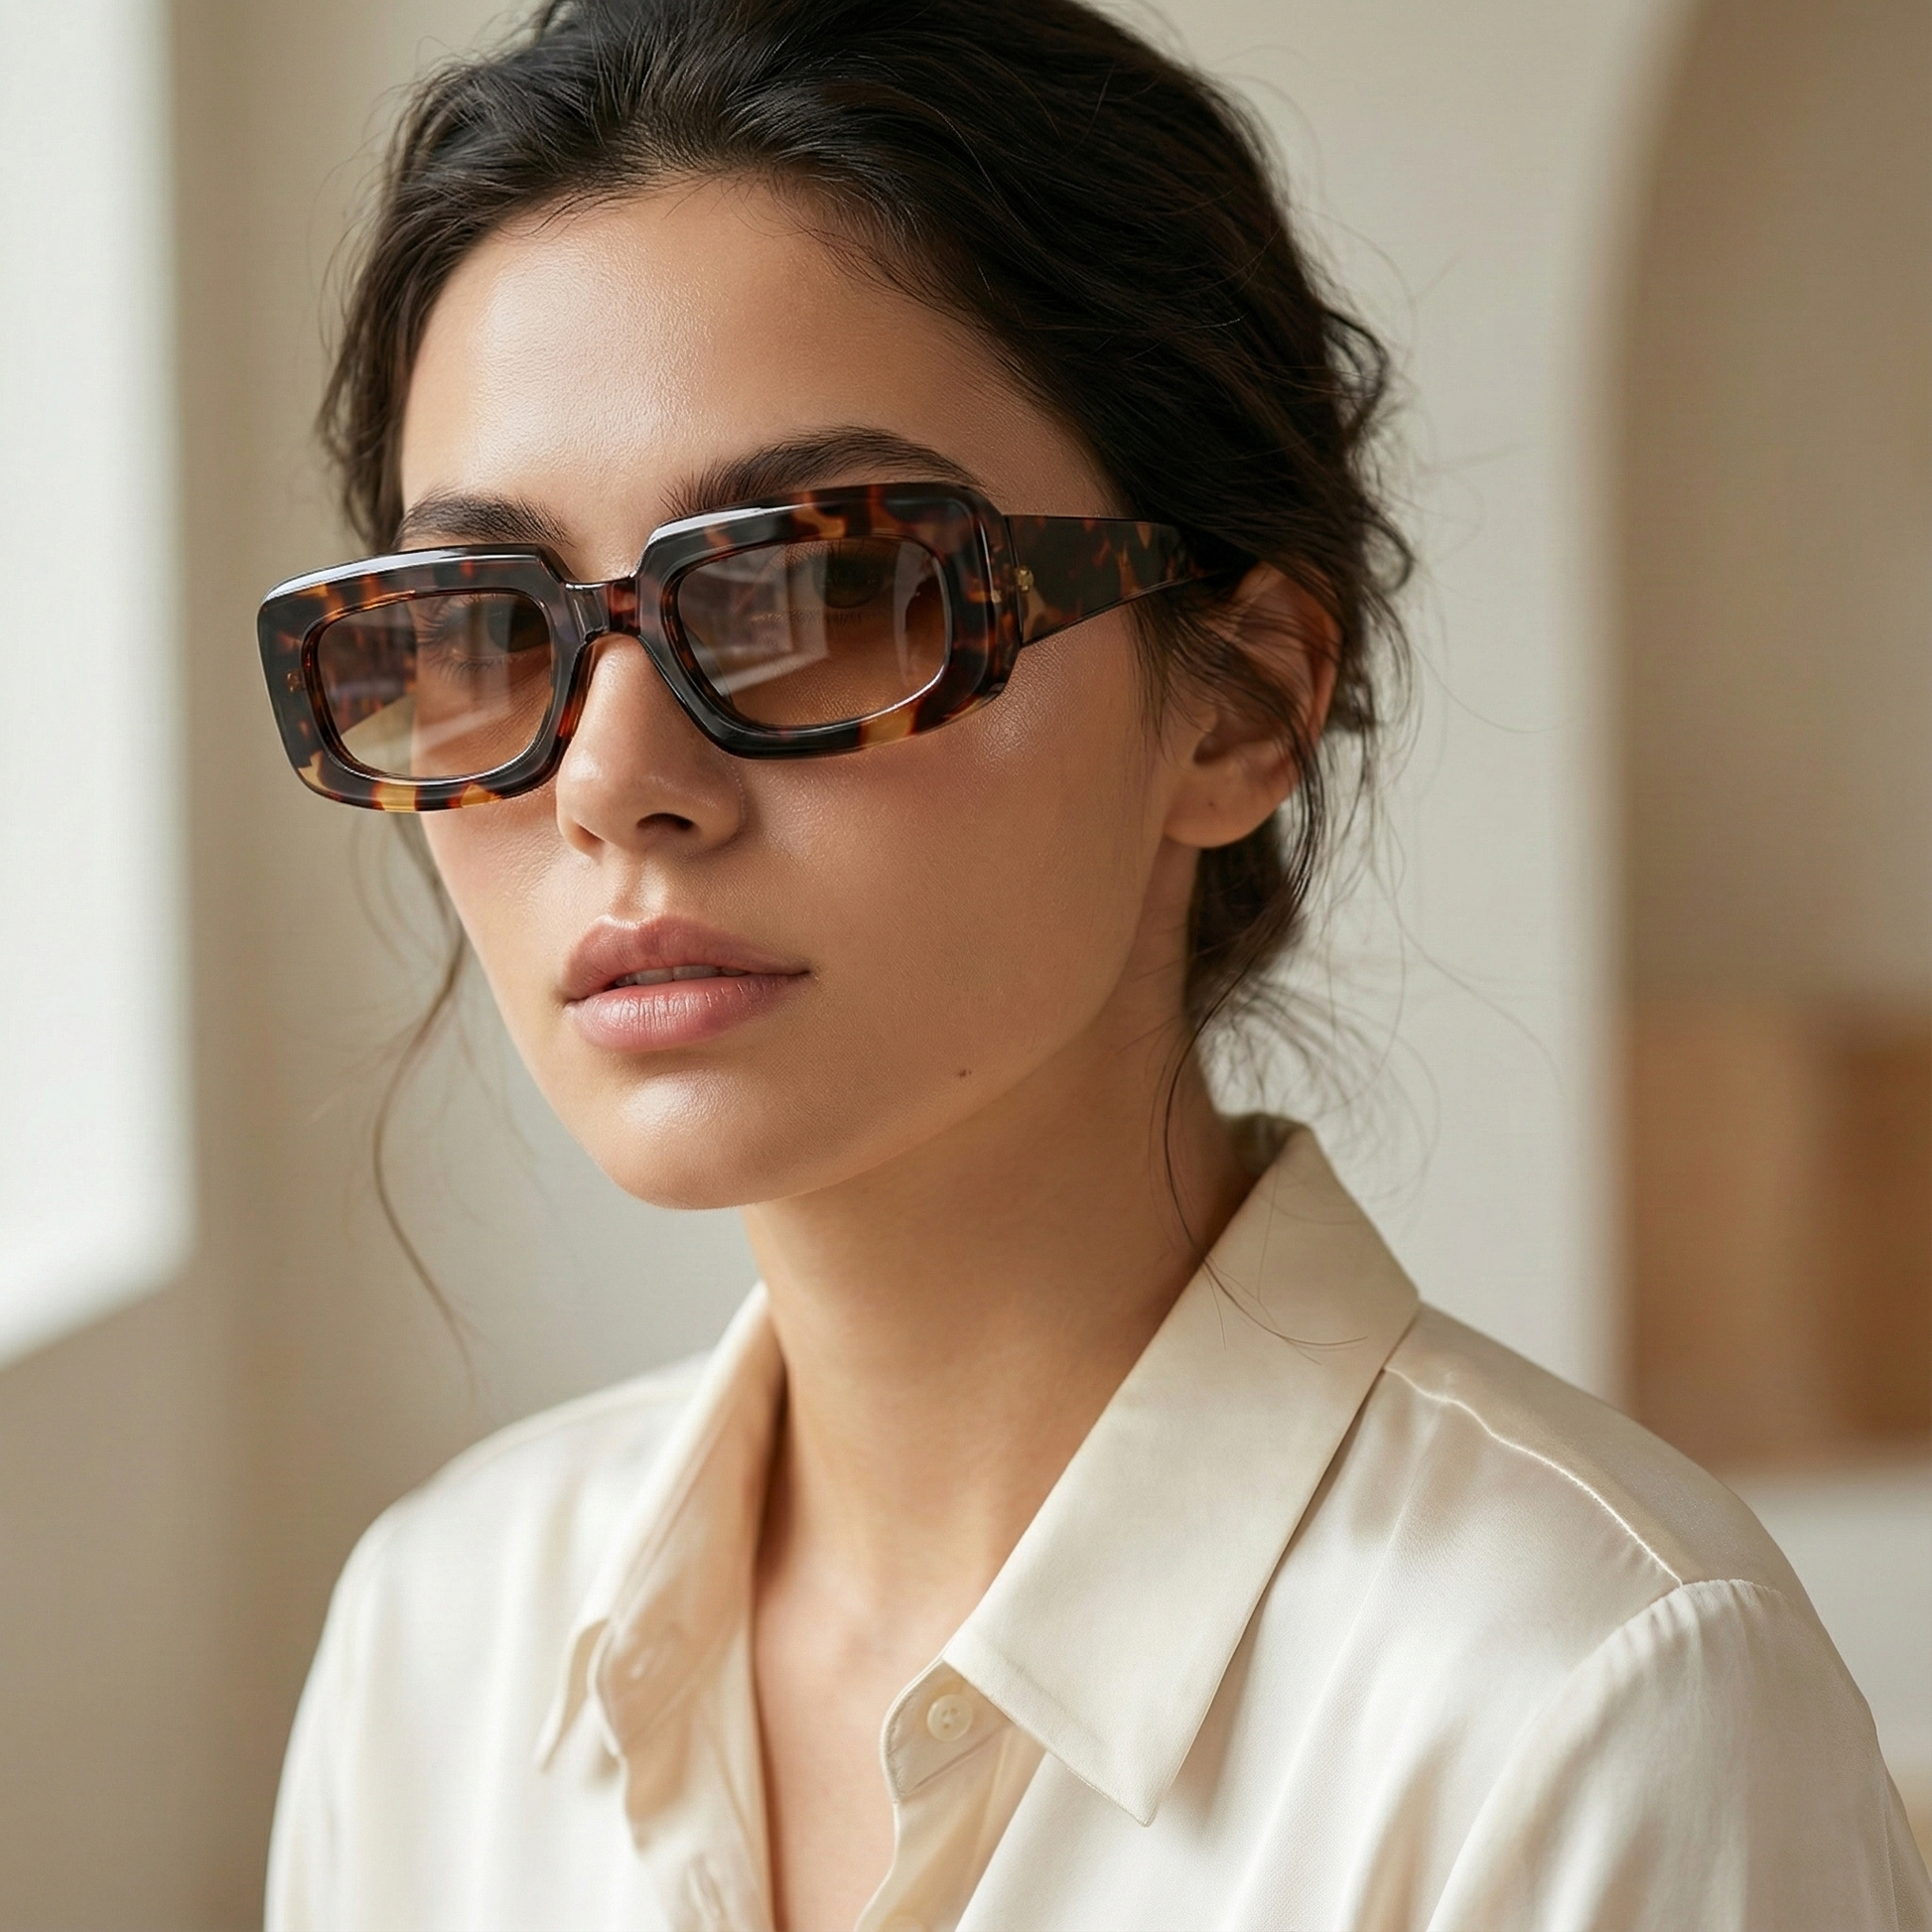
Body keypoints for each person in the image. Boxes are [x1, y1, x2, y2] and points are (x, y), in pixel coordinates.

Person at [256, 1, 1931, 1927]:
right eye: (482, 619)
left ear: (1237, 698)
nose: (615, 780)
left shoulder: (1582, 1702)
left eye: (828, 587)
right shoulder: (439, 1644)